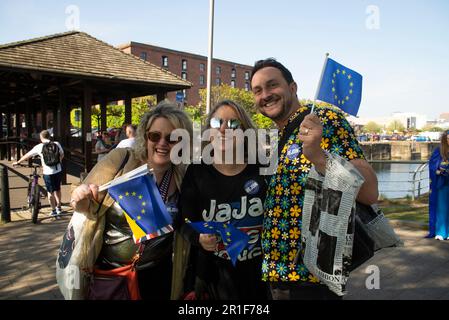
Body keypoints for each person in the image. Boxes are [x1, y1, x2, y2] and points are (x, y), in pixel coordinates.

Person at [250, 58, 379, 300]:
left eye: (272, 85)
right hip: (278, 274)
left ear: (293, 88)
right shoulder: (279, 137)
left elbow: (370, 191)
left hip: (311, 278)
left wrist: (319, 156)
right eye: (258, 90)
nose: (265, 95)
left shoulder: (323, 119)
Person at [69, 101, 192, 300]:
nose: (162, 143)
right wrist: (81, 200)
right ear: (145, 137)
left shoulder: (182, 175)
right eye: (155, 136)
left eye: (172, 138)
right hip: (113, 275)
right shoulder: (122, 159)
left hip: (158, 275)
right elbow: (83, 199)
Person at [178, 100, 268, 300]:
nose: (224, 129)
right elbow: (183, 220)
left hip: (259, 281)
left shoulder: (263, 168)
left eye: (234, 124)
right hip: (212, 281)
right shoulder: (197, 171)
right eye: (217, 122)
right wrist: (197, 237)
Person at [13, 130, 64, 217]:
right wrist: (58, 162)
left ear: (41, 137)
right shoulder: (56, 144)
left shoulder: (39, 147)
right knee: (58, 189)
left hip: (47, 172)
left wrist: (18, 162)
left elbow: (27, 155)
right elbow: (62, 154)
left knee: (50, 192)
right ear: (49, 136)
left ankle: (53, 210)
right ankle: (59, 207)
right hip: (57, 170)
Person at [428, 130, 449, 240]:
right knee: (442, 208)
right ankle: (441, 232)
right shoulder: (439, 151)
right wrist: (438, 171)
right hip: (442, 184)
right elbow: (432, 165)